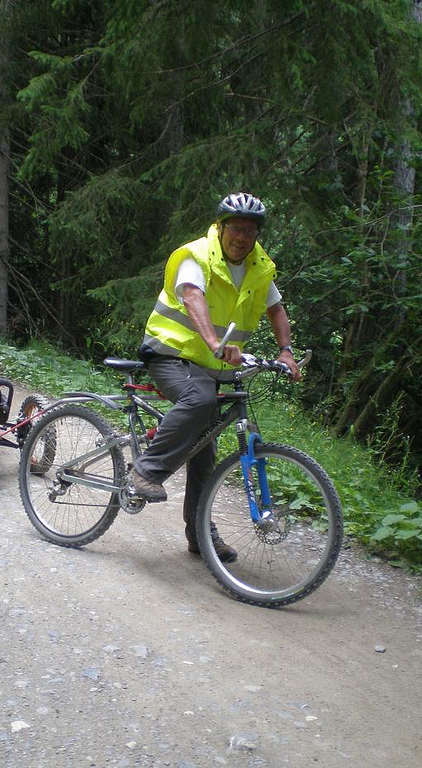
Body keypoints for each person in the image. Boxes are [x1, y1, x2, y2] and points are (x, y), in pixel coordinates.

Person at [130, 192, 301, 563]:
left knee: (205, 451)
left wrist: (285, 351)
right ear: (221, 227)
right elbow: (192, 296)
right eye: (236, 228)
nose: (242, 237)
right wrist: (213, 341)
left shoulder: (260, 266)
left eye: (250, 231)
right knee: (200, 399)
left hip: (211, 367)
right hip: (169, 354)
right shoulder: (196, 255)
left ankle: (200, 534)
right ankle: (144, 471)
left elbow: (276, 309)